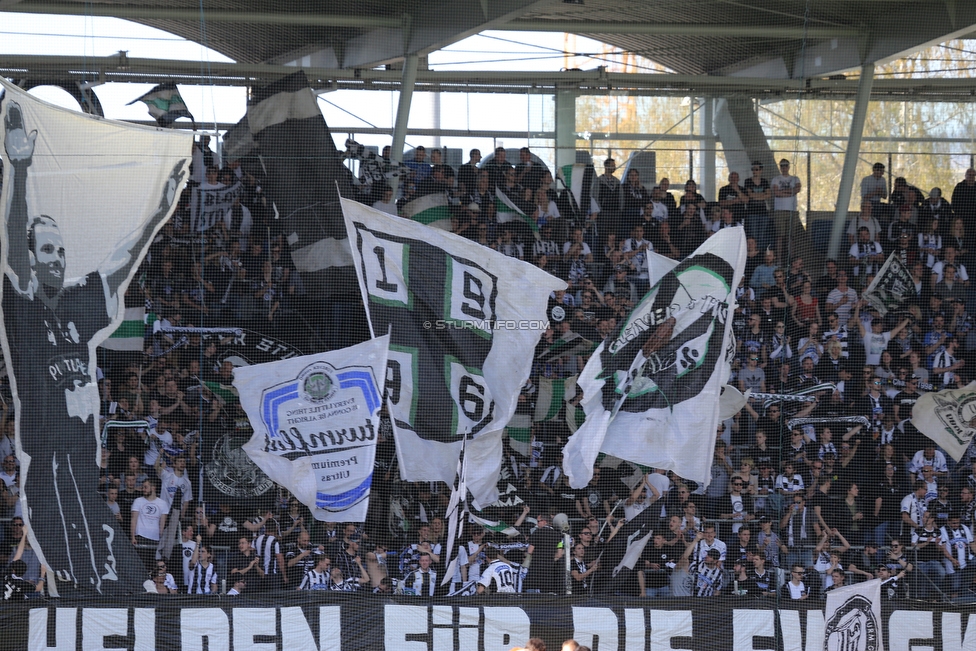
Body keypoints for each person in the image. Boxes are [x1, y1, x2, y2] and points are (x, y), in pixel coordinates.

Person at [2, 101, 184, 593]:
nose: (57, 258)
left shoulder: (78, 307)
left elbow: (122, 263)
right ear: (33, 260)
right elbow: (14, 258)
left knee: (116, 566)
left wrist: (160, 208)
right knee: (81, 575)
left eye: (61, 251)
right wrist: (20, 169)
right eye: (47, 250)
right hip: (52, 469)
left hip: (83, 468)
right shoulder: (22, 309)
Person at [770, 159, 803, 260]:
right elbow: (776, 193)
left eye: (786, 165)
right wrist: (790, 192)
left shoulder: (795, 178)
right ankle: (779, 258)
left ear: (789, 167)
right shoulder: (776, 179)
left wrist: (783, 192)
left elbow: (797, 189)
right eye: (782, 166)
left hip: (792, 210)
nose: (784, 168)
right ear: (780, 167)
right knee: (780, 236)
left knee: (791, 237)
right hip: (779, 210)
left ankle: (791, 259)